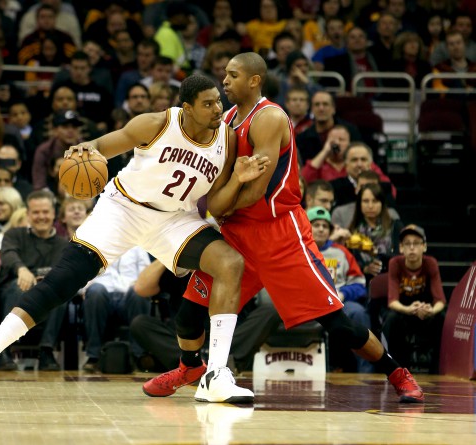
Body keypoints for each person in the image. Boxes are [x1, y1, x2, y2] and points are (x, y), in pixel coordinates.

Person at [0, 75, 270, 402]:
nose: (218, 109)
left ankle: (215, 376)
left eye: (218, 101)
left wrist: (238, 180)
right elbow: (101, 146)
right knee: (61, 283)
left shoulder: (227, 140)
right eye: (208, 103)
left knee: (230, 263)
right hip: (124, 209)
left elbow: (215, 203)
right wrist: (84, 150)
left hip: (174, 219)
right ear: (187, 108)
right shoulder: (156, 124)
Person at [145, 53, 424, 404]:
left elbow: (254, 192)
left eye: (233, 75)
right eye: (225, 74)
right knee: (189, 313)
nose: (225, 81)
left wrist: (217, 206)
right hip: (237, 232)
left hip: (280, 234)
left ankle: (397, 373)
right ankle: (190, 367)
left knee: (339, 325)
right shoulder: (227, 119)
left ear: (254, 80)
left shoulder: (270, 117)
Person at [131, 260, 280, 374]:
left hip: (230, 337)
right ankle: (191, 364)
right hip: (184, 339)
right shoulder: (181, 265)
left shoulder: (235, 259)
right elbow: (141, 288)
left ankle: (222, 362)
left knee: (271, 311)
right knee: (140, 324)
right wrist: (169, 255)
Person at [0, 190, 70, 371]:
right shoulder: (14, 234)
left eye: (45, 212)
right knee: (19, 286)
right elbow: (8, 254)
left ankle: (46, 351)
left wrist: (45, 280)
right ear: (28, 214)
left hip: (48, 293)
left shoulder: (64, 244)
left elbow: (66, 272)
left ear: (54, 214)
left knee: (61, 292)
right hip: (14, 289)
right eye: (36, 212)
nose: (41, 216)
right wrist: (21, 269)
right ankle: (3, 350)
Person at [308, 206, 374, 373]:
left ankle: (366, 370)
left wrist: (344, 293)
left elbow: (359, 283)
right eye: (316, 225)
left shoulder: (341, 252)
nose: (321, 229)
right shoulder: (300, 251)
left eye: (325, 226)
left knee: (359, 313)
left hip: (339, 301)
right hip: (309, 304)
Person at [384, 225, 446, 374]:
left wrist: (431, 310)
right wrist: (409, 309)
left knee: (442, 318)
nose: (412, 248)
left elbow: (440, 301)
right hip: (404, 311)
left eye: (416, 243)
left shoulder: (430, 263)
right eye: (407, 244)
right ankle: (398, 369)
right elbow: (392, 301)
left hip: (425, 312)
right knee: (391, 319)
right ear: (401, 248)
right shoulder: (395, 263)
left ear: (424, 246)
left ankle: (437, 369)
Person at [82, 246, 152, 372]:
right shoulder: (95, 244)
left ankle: (138, 355)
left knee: (138, 292)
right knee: (95, 291)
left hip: (128, 297)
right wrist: (87, 289)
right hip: (102, 295)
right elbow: (84, 273)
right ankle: (94, 356)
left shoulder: (138, 246)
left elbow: (146, 276)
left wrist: (138, 285)